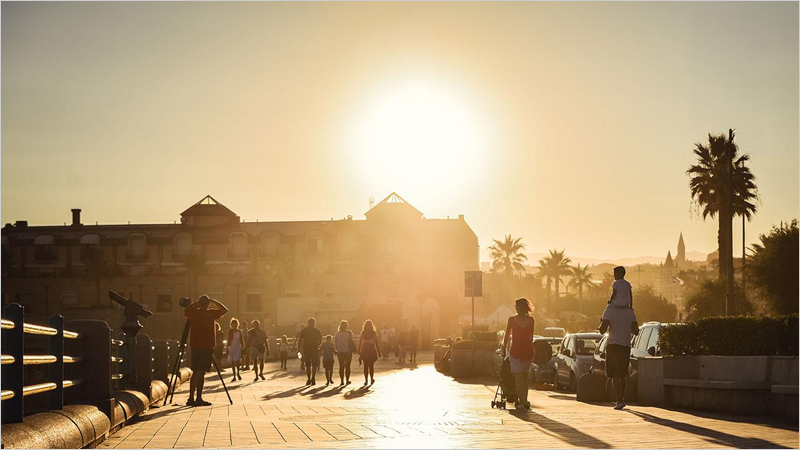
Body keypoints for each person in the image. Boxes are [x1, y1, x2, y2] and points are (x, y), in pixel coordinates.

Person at [600, 269, 640, 410]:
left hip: (613, 345)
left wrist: (603, 320)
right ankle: (621, 398)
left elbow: (602, 330)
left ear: (617, 275)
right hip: (625, 345)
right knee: (623, 374)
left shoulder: (609, 310)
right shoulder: (630, 313)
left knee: (614, 374)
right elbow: (636, 331)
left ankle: (619, 400)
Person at [184, 294, 228, 406]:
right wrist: (214, 301)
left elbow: (186, 310)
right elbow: (224, 310)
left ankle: (190, 398)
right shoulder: (211, 313)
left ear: (199, 303)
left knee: (195, 372)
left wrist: (195, 303)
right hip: (207, 346)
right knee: (201, 372)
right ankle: (198, 398)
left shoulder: (193, 313)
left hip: (195, 345)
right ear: (208, 304)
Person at [502, 297, 535, 410]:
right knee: (525, 377)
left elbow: (507, 335)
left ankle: (522, 401)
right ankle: (524, 400)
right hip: (528, 351)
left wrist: (504, 347)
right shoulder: (531, 321)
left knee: (518, 377)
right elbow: (530, 337)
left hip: (516, 351)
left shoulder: (512, 320)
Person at [298, 318, 323, 385]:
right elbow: (321, 341)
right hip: (315, 350)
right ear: (314, 323)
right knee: (314, 365)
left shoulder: (304, 331)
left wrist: (298, 349)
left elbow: (300, 341)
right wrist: (319, 347)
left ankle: (308, 379)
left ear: (308, 323)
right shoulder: (317, 331)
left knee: (308, 366)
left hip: (307, 350)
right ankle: (313, 378)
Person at [358, 320, 381, 386]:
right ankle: (371, 379)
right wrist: (379, 352)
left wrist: (359, 350)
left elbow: (360, 342)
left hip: (364, 350)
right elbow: (376, 343)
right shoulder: (373, 333)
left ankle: (366, 380)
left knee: (365, 366)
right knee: (371, 366)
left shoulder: (363, 333)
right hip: (371, 350)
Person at [334, 320, 355, 386]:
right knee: (348, 366)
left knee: (341, 366)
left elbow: (335, 343)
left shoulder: (337, 333)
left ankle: (342, 380)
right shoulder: (349, 333)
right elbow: (351, 341)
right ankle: (347, 380)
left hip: (340, 351)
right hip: (348, 351)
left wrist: (336, 349)